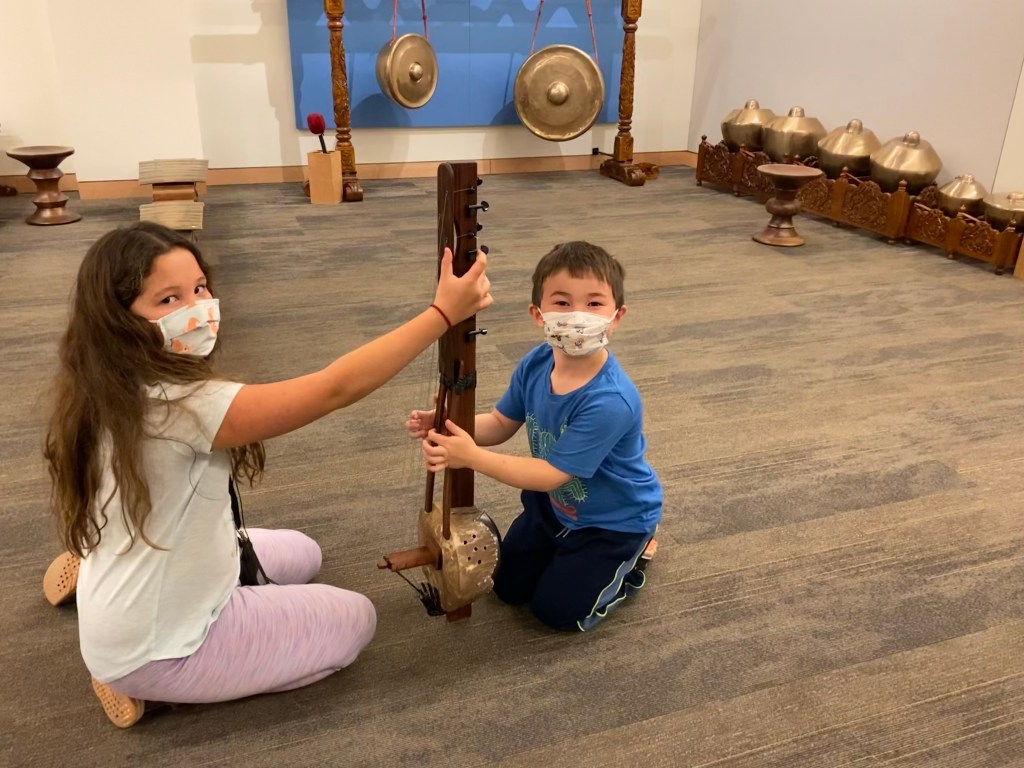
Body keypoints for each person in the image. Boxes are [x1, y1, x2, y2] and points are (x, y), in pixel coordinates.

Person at [43, 221, 491, 727]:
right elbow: (334, 388)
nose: (197, 308)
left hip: (159, 564)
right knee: (356, 620)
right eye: (168, 300)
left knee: (306, 553)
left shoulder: (103, 383)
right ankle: (145, 682)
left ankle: (100, 580)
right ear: (117, 320)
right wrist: (441, 314)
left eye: (199, 288)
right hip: (161, 643)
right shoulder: (180, 407)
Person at [406, 241, 661, 632]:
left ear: (616, 317)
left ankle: (631, 562)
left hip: (611, 523)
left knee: (556, 613)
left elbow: (551, 474)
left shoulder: (611, 400)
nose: (576, 315)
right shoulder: (536, 362)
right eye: (562, 302)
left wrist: (470, 456)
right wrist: (449, 425)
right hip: (555, 508)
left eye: (594, 304)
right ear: (538, 314)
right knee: (506, 586)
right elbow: (499, 422)